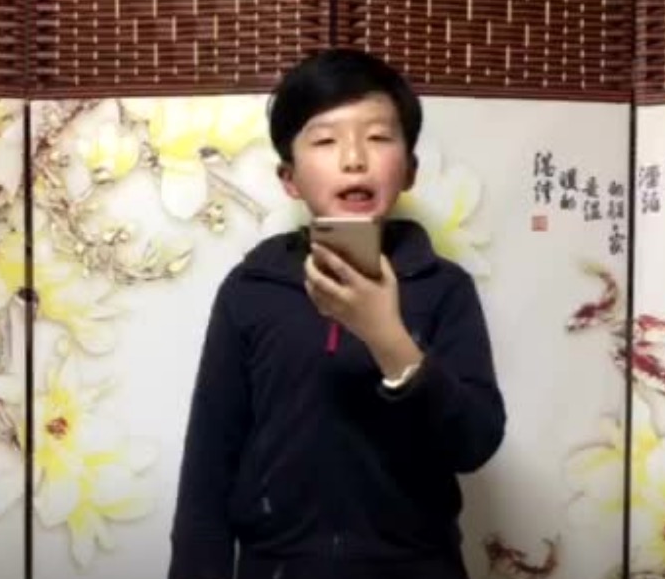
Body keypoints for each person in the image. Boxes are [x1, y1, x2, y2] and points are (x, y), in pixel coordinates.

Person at [168, 48, 506, 579]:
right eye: (325, 141)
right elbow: (209, 464)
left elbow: (476, 442)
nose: (354, 159)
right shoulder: (250, 290)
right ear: (290, 179)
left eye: (378, 137)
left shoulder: (444, 288)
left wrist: (388, 338)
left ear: (410, 170)